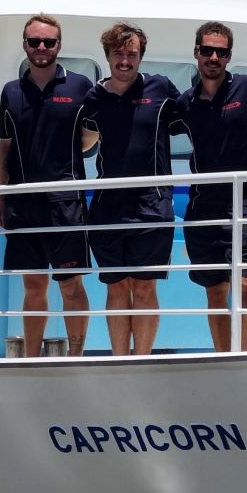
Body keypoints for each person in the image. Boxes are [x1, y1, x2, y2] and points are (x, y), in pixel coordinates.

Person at [79, 23, 181, 355]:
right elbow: (80, 141)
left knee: (145, 287)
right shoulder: (94, 98)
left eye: (131, 54)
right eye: (118, 54)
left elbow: (199, 116)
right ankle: (120, 363)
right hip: (108, 207)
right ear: (107, 56)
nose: (125, 60)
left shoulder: (161, 88)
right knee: (116, 288)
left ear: (141, 56)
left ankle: (142, 362)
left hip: (152, 205)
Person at [0, 14, 92, 357]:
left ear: (58, 46)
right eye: (34, 41)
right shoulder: (11, 92)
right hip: (23, 204)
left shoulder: (80, 86)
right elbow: (5, 147)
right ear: (25, 45)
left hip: (66, 203)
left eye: (48, 42)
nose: (41, 48)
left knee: (70, 286)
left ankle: (76, 358)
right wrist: (0, 197)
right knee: (33, 285)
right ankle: (32, 360)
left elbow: (92, 136)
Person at [176, 22, 247, 352]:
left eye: (221, 52)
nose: (214, 57)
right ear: (196, 52)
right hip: (202, 210)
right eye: (208, 50)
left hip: (245, 206)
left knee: (242, 287)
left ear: (229, 56)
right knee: (214, 292)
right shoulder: (185, 103)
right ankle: (223, 358)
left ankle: (244, 361)